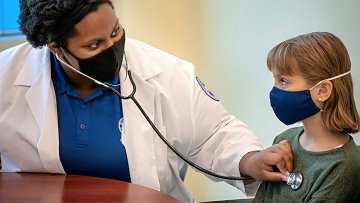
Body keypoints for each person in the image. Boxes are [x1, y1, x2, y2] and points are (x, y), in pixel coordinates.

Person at [0, 1, 293, 202]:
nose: (111, 48)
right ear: (57, 49)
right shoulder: (7, 76)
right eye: (93, 45)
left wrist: (250, 159)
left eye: (115, 32)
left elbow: (214, 135)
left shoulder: (165, 73)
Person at [253, 32, 360, 203]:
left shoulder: (343, 167)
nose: (274, 91)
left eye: (283, 81)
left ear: (322, 91)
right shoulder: (284, 141)